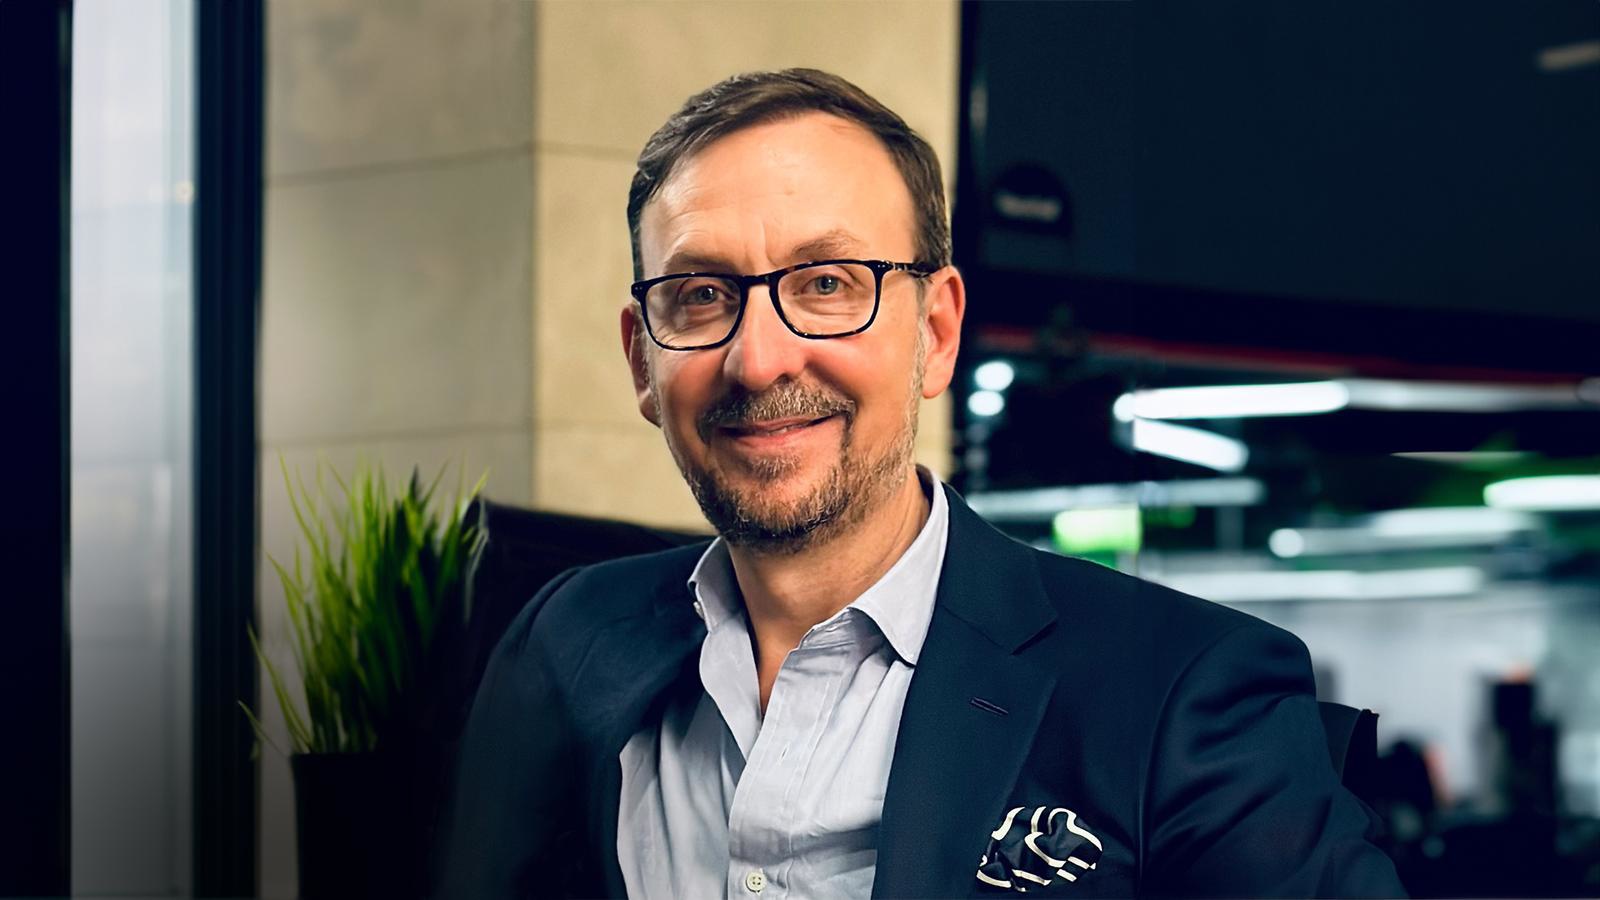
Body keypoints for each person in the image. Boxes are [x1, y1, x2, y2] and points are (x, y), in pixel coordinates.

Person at [438, 68, 1404, 898]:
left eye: (827, 283)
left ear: (936, 333)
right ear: (642, 361)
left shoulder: (1184, 696)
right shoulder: (568, 639)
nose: (758, 358)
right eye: (701, 295)